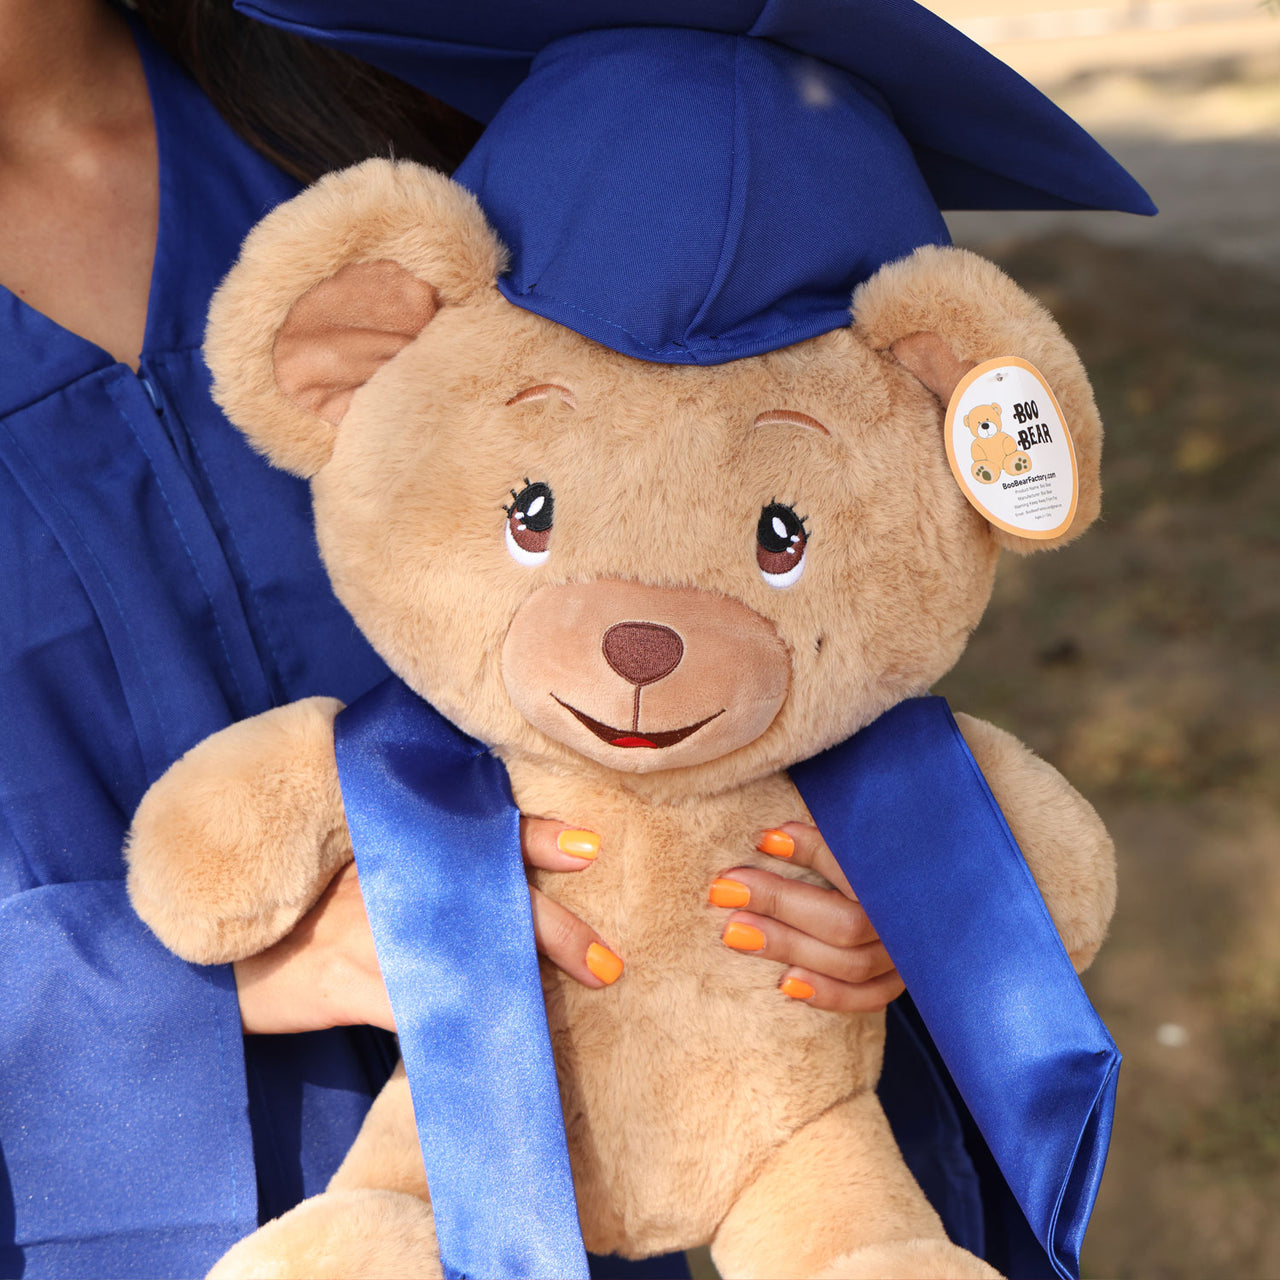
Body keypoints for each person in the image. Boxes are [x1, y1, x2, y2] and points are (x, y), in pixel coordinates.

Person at [0, 4, 902, 1275]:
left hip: (575, 1128)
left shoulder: (416, 137)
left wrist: (880, 863)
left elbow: (780, 540)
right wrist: (191, 984)